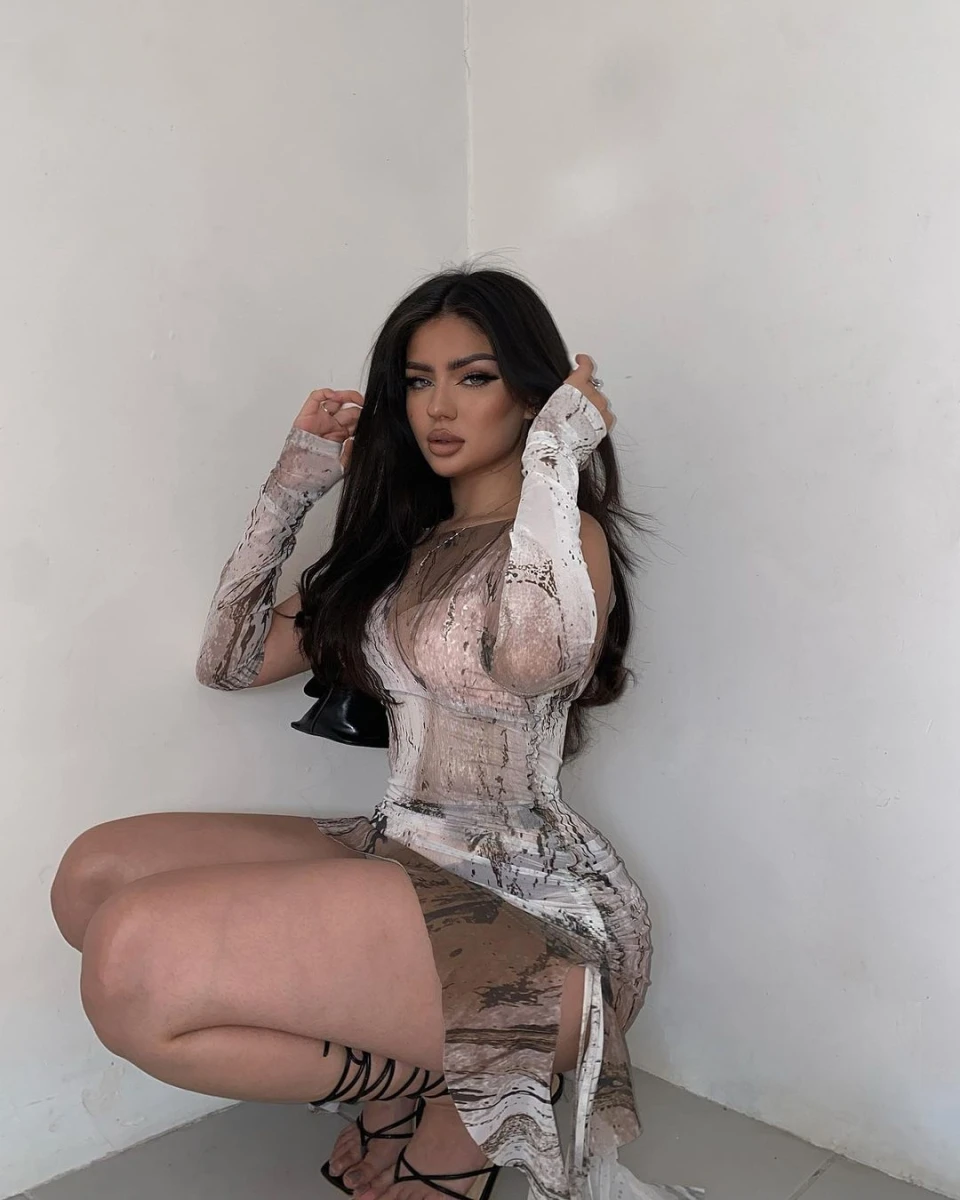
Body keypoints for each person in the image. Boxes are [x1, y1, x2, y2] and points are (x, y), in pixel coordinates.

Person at [51, 267, 687, 1200]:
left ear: (531, 392)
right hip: (401, 849)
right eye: (417, 381)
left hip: (532, 908)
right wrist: (293, 484)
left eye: (474, 377)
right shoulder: (400, 553)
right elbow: (228, 663)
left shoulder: (563, 536)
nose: (439, 407)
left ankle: (473, 1081)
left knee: (135, 965)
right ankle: (431, 1082)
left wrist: (555, 462)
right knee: (92, 878)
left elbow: (532, 664)